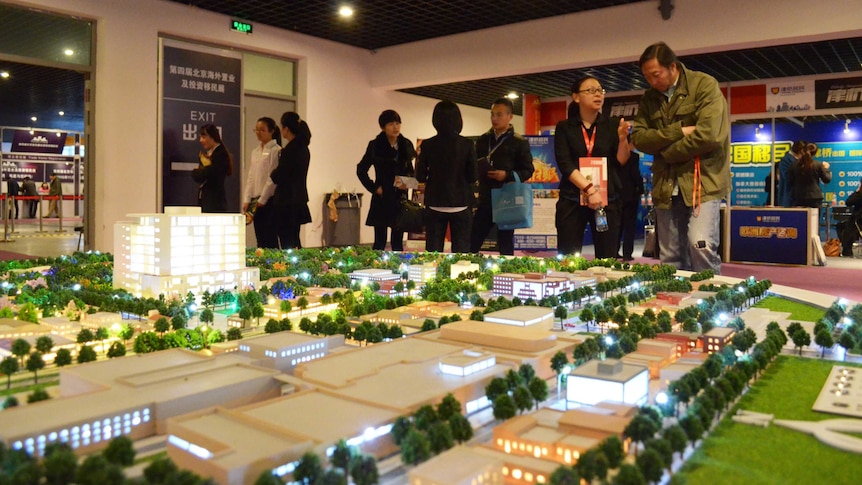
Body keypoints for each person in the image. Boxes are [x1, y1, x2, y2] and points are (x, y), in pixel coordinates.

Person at [631, 42, 730, 274]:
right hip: (666, 186)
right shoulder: (649, 98)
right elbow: (640, 139)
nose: (652, 81)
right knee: (670, 256)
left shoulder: (704, 85)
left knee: (701, 245)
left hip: (703, 182)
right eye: (647, 77)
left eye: (655, 75)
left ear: (672, 67)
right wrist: (679, 131)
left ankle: (710, 301)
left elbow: (710, 135)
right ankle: (676, 304)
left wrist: (667, 152)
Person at [554, 76, 631, 257]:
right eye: (590, 90)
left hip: (606, 199)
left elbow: (621, 160)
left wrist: (622, 139)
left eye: (600, 90)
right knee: (568, 256)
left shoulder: (612, 125)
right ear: (576, 97)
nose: (597, 94)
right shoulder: (565, 127)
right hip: (572, 198)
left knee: (607, 257)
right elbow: (565, 164)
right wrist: (589, 189)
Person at [469, 98, 534, 255]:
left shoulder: (519, 142)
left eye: (499, 115)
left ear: (510, 116)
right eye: (492, 114)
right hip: (486, 198)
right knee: (472, 241)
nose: (494, 119)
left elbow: (528, 170)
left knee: (505, 244)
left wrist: (507, 175)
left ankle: (507, 277)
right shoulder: (483, 140)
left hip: (507, 199)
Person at [415, 101, 477, 253]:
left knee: (433, 253)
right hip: (461, 203)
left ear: (435, 120)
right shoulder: (467, 144)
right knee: (461, 254)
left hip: (435, 203)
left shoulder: (427, 145)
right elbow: (473, 176)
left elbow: (420, 176)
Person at [356, 110, 417, 251]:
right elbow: (361, 169)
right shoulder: (376, 145)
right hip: (382, 196)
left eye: (397, 123)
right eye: (391, 124)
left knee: (397, 241)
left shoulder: (406, 144)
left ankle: (398, 267)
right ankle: (375, 268)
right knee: (380, 240)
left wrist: (406, 183)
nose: (395, 127)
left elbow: (412, 172)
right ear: (383, 127)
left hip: (400, 197)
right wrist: (374, 188)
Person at [270, 112, 312, 249]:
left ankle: (290, 266)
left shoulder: (290, 150)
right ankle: (298, 265)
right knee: (294, 238)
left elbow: (281, 174)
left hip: (286, 200)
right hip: (298, 198)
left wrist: (273, 174)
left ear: (286, 129)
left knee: (287, 238)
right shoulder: (303, 148)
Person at [243, 117, 281, 248]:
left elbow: (273, 178)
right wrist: (247, 199)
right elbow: (251, 176)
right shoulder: (256, 151)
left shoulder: (276, 150)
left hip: (269, 200)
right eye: (256, 130)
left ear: (271, 131)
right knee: (259, 235)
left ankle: (274, 264)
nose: (258, 133)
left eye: (262, 130)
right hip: (255, 200)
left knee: (269, 235)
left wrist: (263, 198)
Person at [192, 124, 233, 213]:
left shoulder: (221, 154)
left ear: (212, 136)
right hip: (206, 201)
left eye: (203, 137)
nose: (201, 140)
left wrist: (198, 172)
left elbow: (209, 173)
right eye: (200, 137)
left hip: (215, 202)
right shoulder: (210, 154)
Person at [616, 139, 644, 261]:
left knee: (618, 226)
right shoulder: (633, 157)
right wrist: (641, 189)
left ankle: (614, 251)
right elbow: (635, 174)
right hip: (631, 195)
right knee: (629, 227)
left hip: (617, 194)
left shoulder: (615, 155)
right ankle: (627, 253)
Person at [787, 142, 831, 208]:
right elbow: (827, 179)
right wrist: (826, 168)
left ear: (802, 151)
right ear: (815, 153)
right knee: (814, 218)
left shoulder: (793, 165)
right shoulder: (818, 164)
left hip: (798, 197)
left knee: (800, 218)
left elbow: (789, 181)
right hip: (815, 197)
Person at [777, 140, 805, 207]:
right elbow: (788, 178)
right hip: (789, 197)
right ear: (801, 150)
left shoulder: (798, 160)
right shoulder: (786, 161)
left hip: (799, 197)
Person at [841, 178, 862, 257]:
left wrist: (857, 191)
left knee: (843, 227)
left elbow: (848, 202)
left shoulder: (859, 194)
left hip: (858, 221)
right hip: (858, 221)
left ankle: (846, 250)